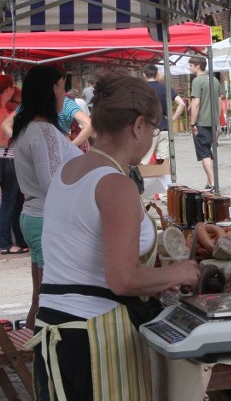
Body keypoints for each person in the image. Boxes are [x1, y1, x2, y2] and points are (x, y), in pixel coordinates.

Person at [26, 73, 200, 399]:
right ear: (138, 126)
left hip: (56, 331)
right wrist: (181, 271)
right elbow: (122, 279)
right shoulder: (116, 185)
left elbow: (82, 262)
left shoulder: (69, 170)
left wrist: (157, 280)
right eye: (154, 128)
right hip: (94, 337)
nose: (152, 135)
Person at [11, 66, 84, 330]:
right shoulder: (42, 131)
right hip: (45, 219)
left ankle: (34, 355)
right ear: (50, 89)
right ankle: (39, 359)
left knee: (39, 298)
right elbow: (53, 183)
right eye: (62, 87)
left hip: (36, 217)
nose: (64, 95)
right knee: (47, 301)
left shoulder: (29, 127)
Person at [0, 76, 29, 256]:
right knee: (9, 202)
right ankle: (4, 243)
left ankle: (18, 240)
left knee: (16, 201)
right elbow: (3, 141)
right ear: (9, 89)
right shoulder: (3, 112)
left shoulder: (4, 110)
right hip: (7, 158)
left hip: (10, 158)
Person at [140, 64, 186, 165]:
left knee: (144, 160)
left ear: (144, 75)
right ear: (156, 74)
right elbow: (182, 103)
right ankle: (162, 179)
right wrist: (172, 119)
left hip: (149, 127)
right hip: (164, 127)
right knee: (162, 161)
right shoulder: (165, 87)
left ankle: (142, 180)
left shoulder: (141, 89)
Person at [188, 55, 220, 190]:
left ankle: (213, 183)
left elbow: (196, 102)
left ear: (197, 66)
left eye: (190, 65)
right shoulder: (214, 80)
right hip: (213, 122)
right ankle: (210, 181)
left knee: (204, 153)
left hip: (201, 122)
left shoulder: (197, 81)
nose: (189, 67)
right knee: (208, 152)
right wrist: (218, 120)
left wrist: (192, 122)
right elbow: (219, 101)